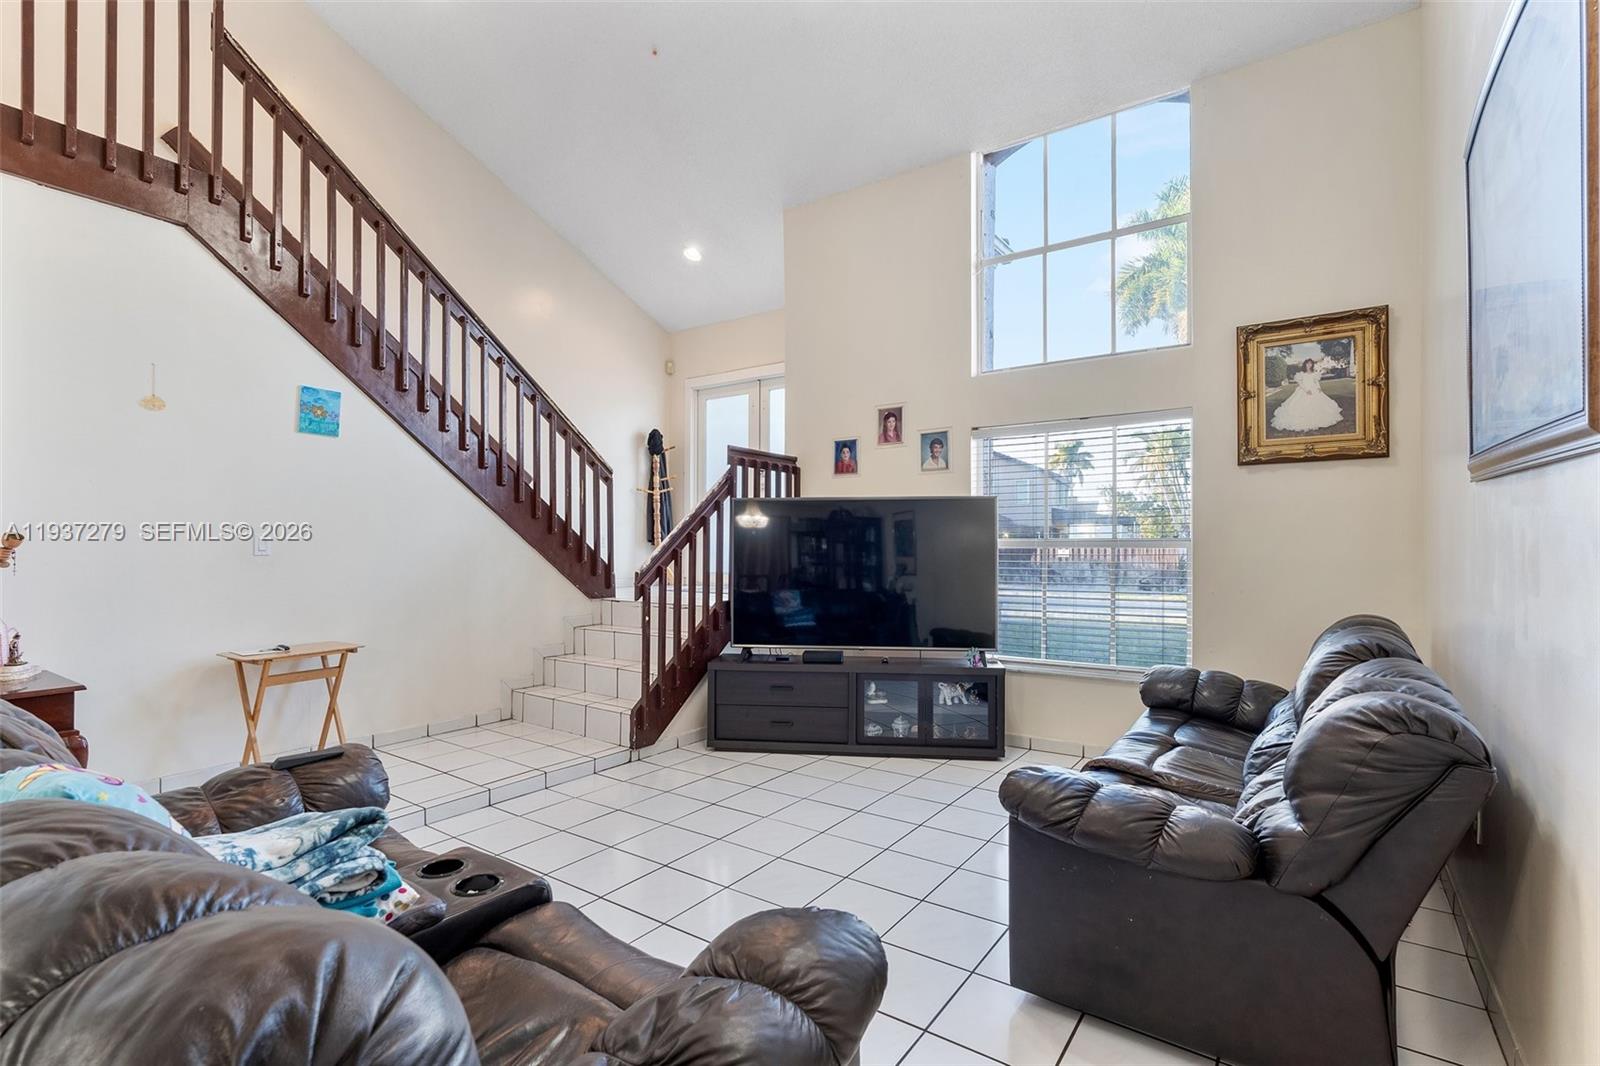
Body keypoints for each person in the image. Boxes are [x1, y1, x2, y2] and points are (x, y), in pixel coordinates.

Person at [1270, 357, 1343, 433]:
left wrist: (1319, 388)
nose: (1309, 365)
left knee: (1319, 403)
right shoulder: (1301, 374)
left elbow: (1316, 382)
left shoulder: (1314, 373)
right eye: (1308, 364)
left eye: (1311, 364)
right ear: (1305, 365)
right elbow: (1300, 383)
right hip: (1304, 390)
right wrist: (1306, 390)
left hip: (1314, 389)